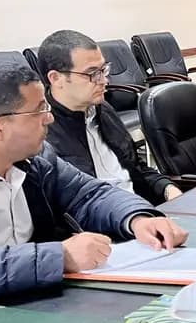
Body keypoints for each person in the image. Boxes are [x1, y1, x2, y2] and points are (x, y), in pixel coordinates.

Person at [0, 60, 188, 311]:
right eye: (37, 111)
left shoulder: (34, 157)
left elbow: (89, 194)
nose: (49, 118)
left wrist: (137, 218)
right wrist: (58, 257)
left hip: (36, 300)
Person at [38, 30, 180, 206]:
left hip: (142, 208)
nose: (104, 80)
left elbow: (136, 168)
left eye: (104, 70)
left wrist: (167, 188)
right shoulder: (41, 134)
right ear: (56, 78)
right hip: (106, 223)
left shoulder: (104, 110)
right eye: (92, 74)